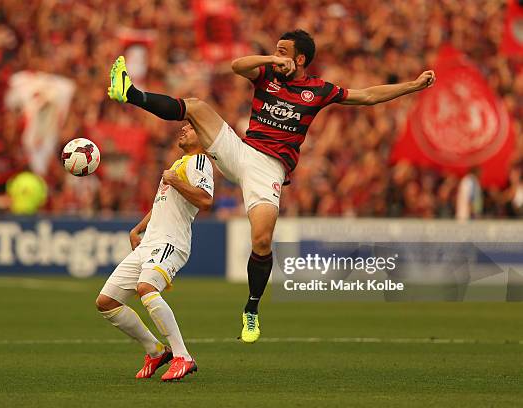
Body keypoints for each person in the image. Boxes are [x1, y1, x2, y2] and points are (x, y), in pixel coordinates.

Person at [107, 29, 436, 343]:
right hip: (241, 151)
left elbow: (365, 96)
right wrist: (270, 59)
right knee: (195, 107)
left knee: (262, 239)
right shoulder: (266, 75)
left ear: (301, 59)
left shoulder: (319, 90)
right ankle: (130, 93)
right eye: (275, 51)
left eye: (283, 52)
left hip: (268, 169)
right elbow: (237, 66)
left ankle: (251, 308)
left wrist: (413, 86)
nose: (277, 56)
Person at [95, 124, 214, 381]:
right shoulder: (179, 165)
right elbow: (161, 205)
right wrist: (138, 228)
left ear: (203, 137)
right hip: (149, 242)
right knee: (106, 302)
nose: (183, 129)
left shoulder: (200, 161)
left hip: (171, 242)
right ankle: (156, 350)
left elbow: (205, 199)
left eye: (190, 128)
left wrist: (175, 180)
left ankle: (183, 356)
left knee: (147, 288)